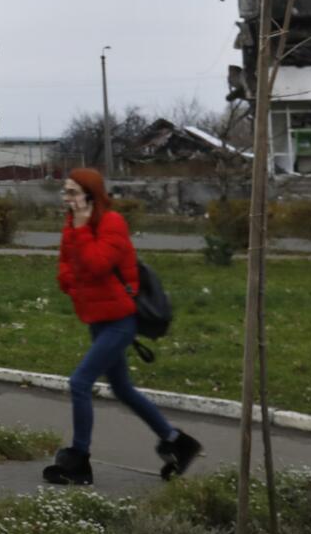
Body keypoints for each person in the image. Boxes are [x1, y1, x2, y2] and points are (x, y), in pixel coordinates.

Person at [43, 168, 200, 485]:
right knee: (122, 389)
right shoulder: (72, 225)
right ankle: (177, 442)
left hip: (120, 321)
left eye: (73, 192)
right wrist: (72, 284)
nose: (67, 198)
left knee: (79, 383)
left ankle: (79, 460)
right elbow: (67, 266)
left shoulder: (111, 223)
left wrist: (83, 229)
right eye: (66, 192)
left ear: (90, 195)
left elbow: (98, 264)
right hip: (96, 319)